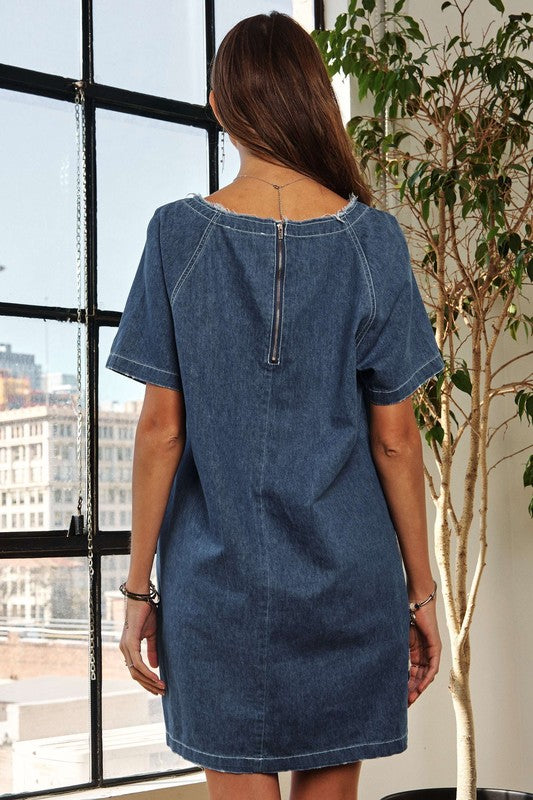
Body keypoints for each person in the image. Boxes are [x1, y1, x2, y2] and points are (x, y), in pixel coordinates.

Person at [106, 11, 443, 800]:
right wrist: (421, 593)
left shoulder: (176, 235)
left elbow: (160, 432)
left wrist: (137, 591)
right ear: (314, 100)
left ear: (219, 106)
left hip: (215, 587)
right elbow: (396, 441)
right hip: (348, 580)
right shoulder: (374, 241)